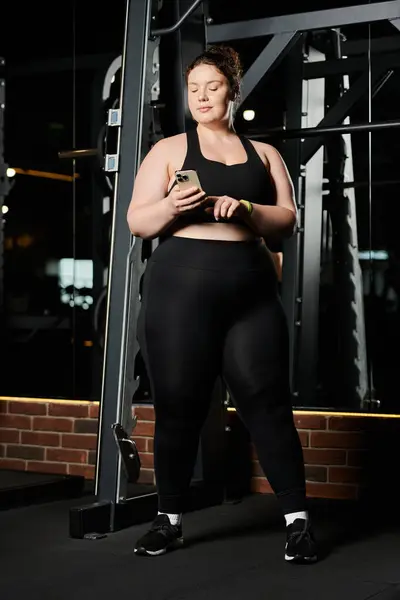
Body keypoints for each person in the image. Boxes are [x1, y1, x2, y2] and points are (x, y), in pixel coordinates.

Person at [127, 45, 317, 563]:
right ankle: (168, 521)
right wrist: (171, 204)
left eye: (212, 86)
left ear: (233, 90)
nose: (202, 97)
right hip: (179, 288)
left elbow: (287, 222)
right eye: (194, 89)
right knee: (179, 407)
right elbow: (138, 222)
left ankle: (297, 524)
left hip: (251, 288)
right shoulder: (168, 150)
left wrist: (249, 208)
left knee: (269, 404)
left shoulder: (265, 154)